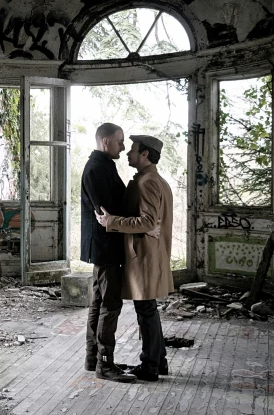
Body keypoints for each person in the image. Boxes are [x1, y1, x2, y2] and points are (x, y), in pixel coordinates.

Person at [96, 135, 174, 382]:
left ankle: (150, 367)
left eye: (133, 150)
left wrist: (112, 222)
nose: (128, 153)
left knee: (146, 309)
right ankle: (158, 362)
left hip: (144, 256)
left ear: (145, 155)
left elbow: (149, 222)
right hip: (148, 254)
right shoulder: (151, 179)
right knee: (148, 309)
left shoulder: (148, 182)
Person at [79, 123, 135, 382]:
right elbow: (106, 212)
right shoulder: (97, 168)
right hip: (105, 246)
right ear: (105, 142)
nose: (123, 147)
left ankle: (94, 358)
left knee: (99, 303)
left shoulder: (102, 165)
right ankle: (105, 363)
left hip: (104, 246)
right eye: (120, 141)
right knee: (109, 305)